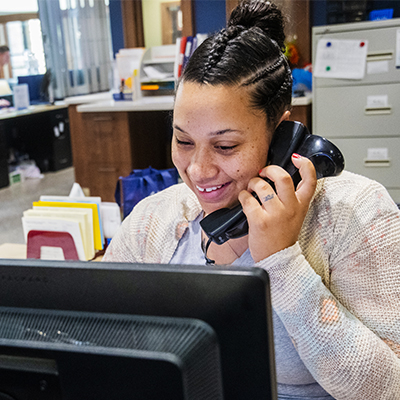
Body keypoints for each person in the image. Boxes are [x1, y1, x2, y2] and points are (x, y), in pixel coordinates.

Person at [104, 0, 400, 398]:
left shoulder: (354, 213)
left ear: (281, 136)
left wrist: (281, 262)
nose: (198, 170)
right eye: (183, 140)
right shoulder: (153, 222)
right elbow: (100, 347)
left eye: (225, 146)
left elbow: (389, 388)